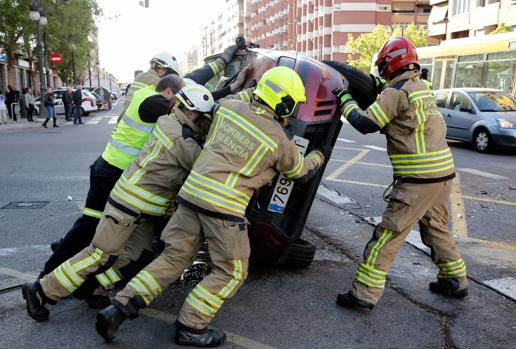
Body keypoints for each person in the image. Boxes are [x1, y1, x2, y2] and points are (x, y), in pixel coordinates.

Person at [95, 66, 325, 347]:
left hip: (191, 197)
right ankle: (191, 325)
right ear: (286, 103)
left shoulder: (227, 109)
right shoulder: (279, 139)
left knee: (172, 259)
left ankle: (117, 309)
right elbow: (299, 172)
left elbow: (215, 109)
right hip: (224, 209)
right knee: (232, 271)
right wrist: (317, 155)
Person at [22, 83, 215, 322]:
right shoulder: (182, 140)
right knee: (99, 254)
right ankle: (40, 291)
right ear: (193, 113)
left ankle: (89, 286)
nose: (204, 125)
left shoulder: (168, 121)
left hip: (141, 208)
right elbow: (206, 168)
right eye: (204, 119)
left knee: (134, 253)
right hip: (129, 204)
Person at [332, 37, 468, 311]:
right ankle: (455, 280)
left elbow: (365, 123)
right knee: (436, 229)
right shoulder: (421, 87)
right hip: (442, 177)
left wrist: (344, 99)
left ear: (389, 64)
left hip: (416, 181)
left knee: (386, 237)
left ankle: (363, 294)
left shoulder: (395, 94)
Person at [37, 75, 185, 285]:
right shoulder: (153, 102)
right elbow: (180, 106)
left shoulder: (144, 93)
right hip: (114, 173)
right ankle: (48, 277)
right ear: (169, 91)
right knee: (95, 229)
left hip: (106, 167)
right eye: (178, 95)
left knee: (92, 226)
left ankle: (63, 270)